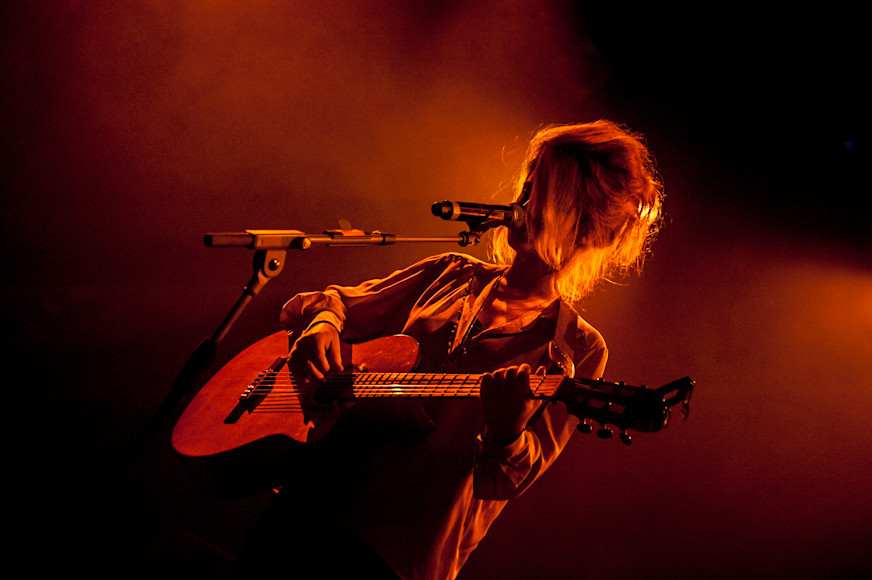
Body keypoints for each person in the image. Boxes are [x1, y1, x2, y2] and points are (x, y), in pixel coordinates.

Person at [234, 119, 664, 579]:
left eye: (545, 197)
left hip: (395, 556)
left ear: (585, 231)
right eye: (528, 188)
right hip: (311, 503)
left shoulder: (576, 349)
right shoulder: (450, 272)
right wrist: (321, 324)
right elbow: (332, 301)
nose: (522, 204)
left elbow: (504, 482)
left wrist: (507, 432)